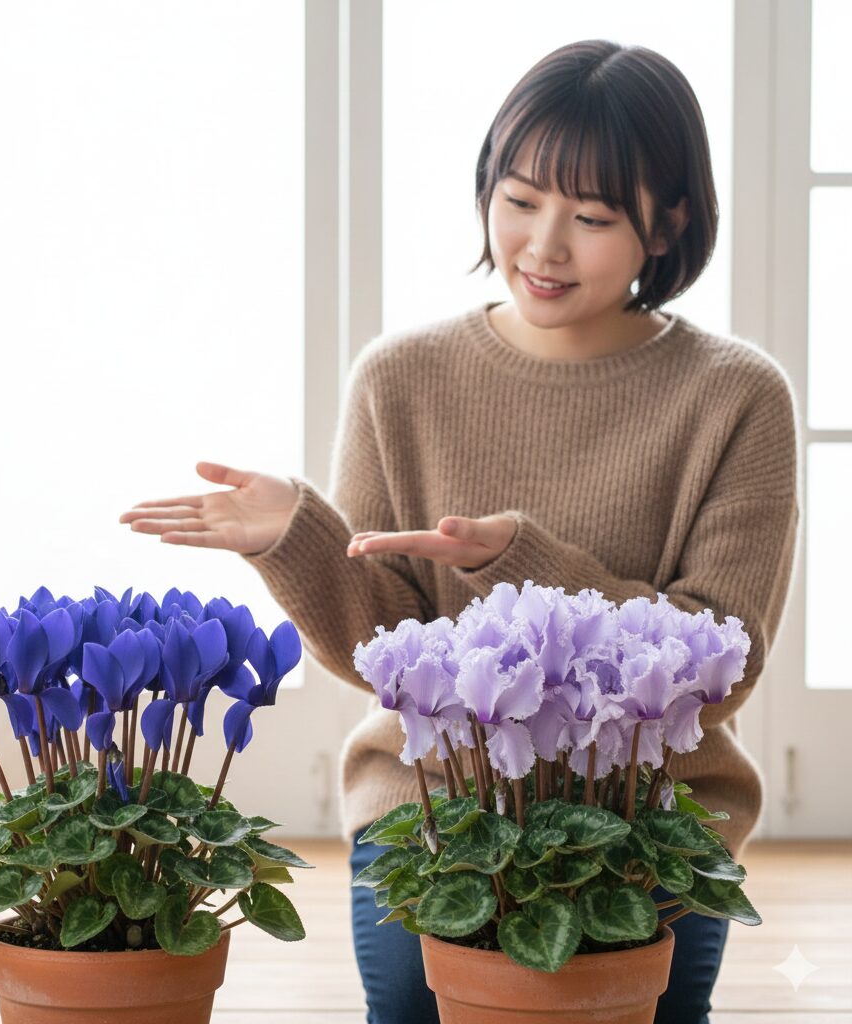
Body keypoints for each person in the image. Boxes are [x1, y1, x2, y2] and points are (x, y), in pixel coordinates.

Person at [119, 39, 799, 1024]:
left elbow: (720, 658)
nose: (543, 245)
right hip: (429, 805)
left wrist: (513, 563)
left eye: (592, 216)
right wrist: (299, 539)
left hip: (654, 817)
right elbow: (382, 649)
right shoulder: (401, 378)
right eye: (519, 199)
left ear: (669, 222)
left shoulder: (736, 397)